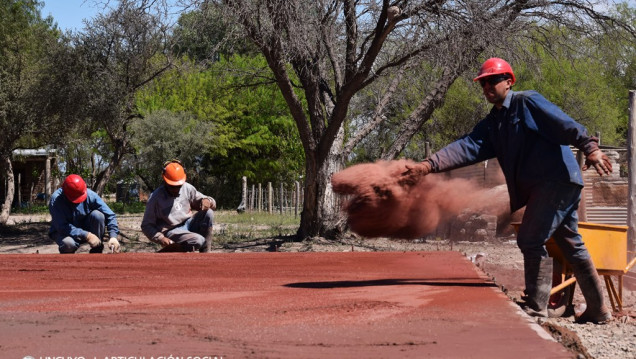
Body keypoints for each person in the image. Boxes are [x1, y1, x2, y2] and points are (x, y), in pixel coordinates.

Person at [404, 57, 613, 324]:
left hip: (555, 181)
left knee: (529, 238)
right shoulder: (494, 123)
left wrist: (590, 147)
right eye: (483, 83)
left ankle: (538, 306)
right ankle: (599, 310)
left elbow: (562, 122)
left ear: (509, 81)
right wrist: (429, 165)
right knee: (571, 244)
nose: (487, 87)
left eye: (493, 81)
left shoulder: (527, 102)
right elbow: (468, 146)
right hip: (554, 185)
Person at [141, 160, 216, 252]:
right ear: (165, 181)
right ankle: (170, 250)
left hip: (189, 223)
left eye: (179, 186)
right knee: (197, 240)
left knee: (209, 213)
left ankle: (206, 253)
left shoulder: (187, 188)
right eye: (172, 186)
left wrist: (208, 201)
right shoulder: (155, 198)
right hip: (171, 231)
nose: (176, 189)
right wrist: (160, 238)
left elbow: (210, 202)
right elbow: (146, 225)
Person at [49, 174, 121, 254]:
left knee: (98, 215)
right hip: (64, 231)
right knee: (68, 244)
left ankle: (97, 249)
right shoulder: (56, 200)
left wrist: (113, 236)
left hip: (84, 225)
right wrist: (86, 235)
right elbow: (61, 226)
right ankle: (69, 263)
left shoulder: (91, 195)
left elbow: (110, 215)